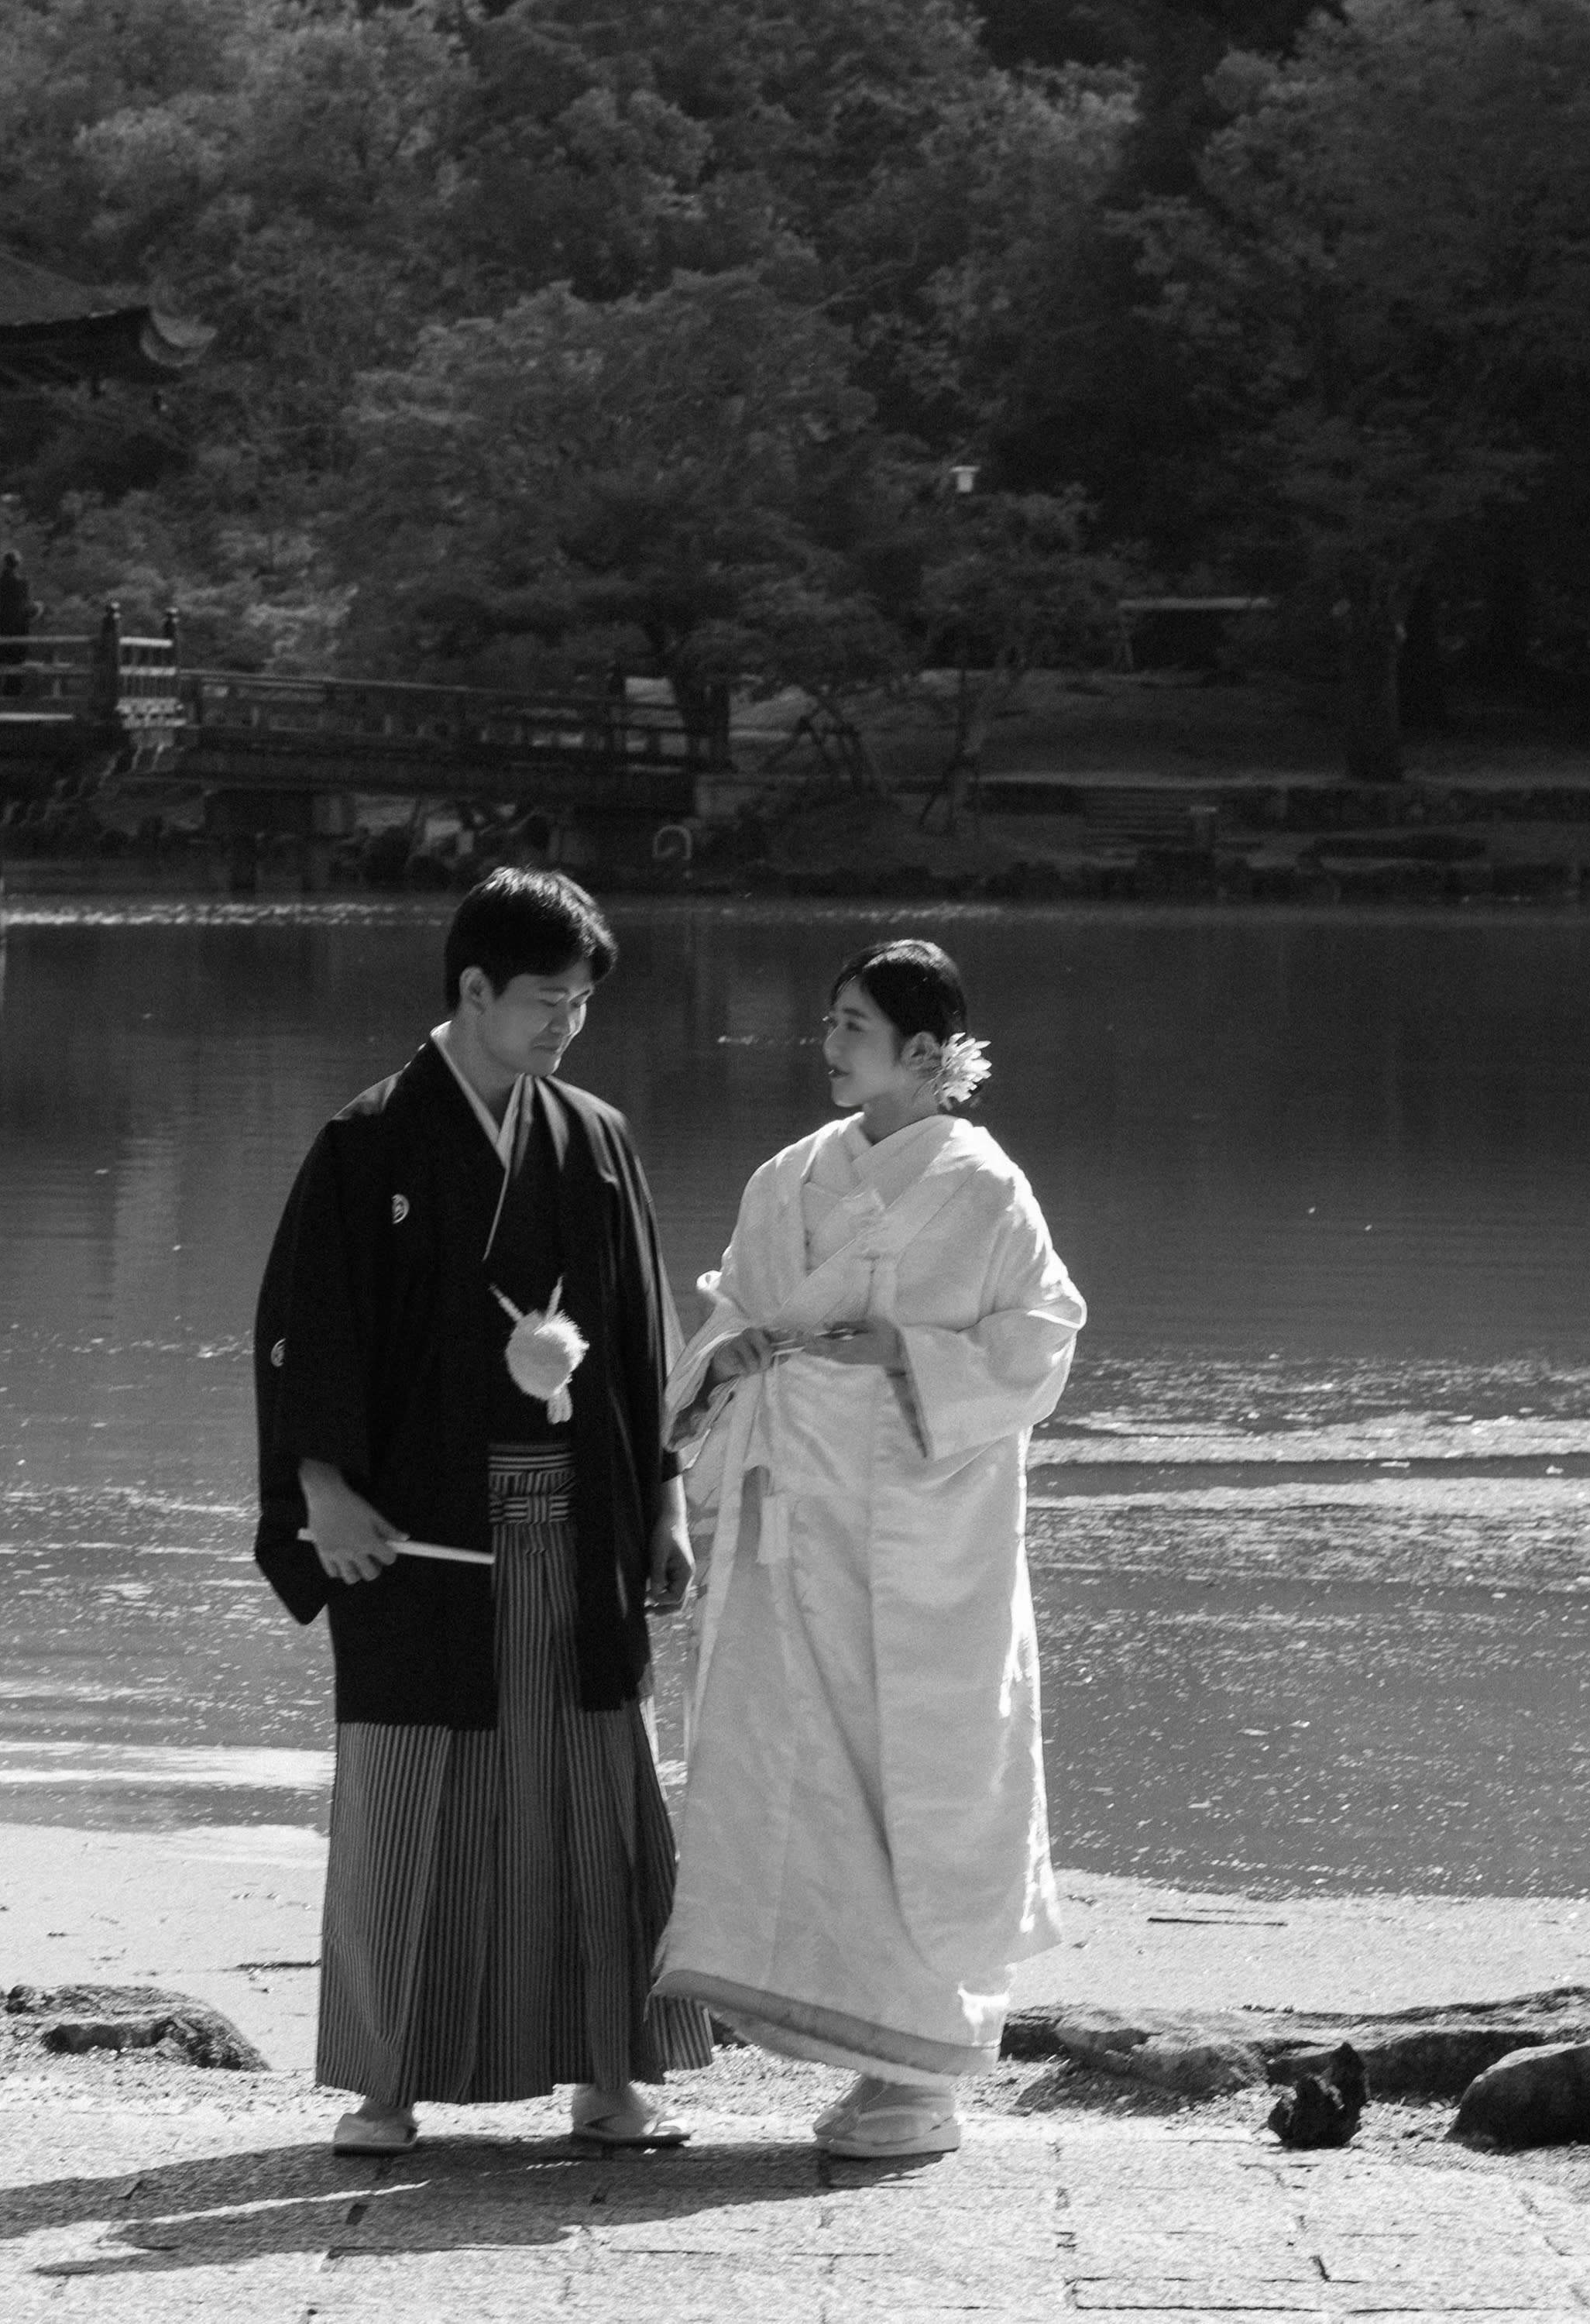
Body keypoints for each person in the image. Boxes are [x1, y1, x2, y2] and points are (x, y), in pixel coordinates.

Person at [250, 868, 708, 2155]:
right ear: (472, 988)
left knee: (592, 1791)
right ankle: (386, 2081)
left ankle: (608, 2075)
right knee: (413, 1792)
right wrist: (322, 1492)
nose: (568, 1025)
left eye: (581, 1004)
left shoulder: (595, 1136)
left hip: (578, 1513)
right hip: (415, 1527)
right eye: (545, 1001)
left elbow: (637, 1336)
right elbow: (302, 1332)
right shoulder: (369, 1140)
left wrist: (666, 1499)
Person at [654, 937, 1085, 2161]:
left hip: (921, 1537)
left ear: (924, 1051)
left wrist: (906, 1352)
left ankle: (920, 2071)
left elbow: (1041, 1342)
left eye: (853, 1023)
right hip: (792, 1518)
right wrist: (727, 1360)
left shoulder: (985, 1187)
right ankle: (845, 2042)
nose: (829, 1041)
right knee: (792, 1765)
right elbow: (730, 1315)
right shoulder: (787, 1173)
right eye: (831, 1019)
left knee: (920, 1778)